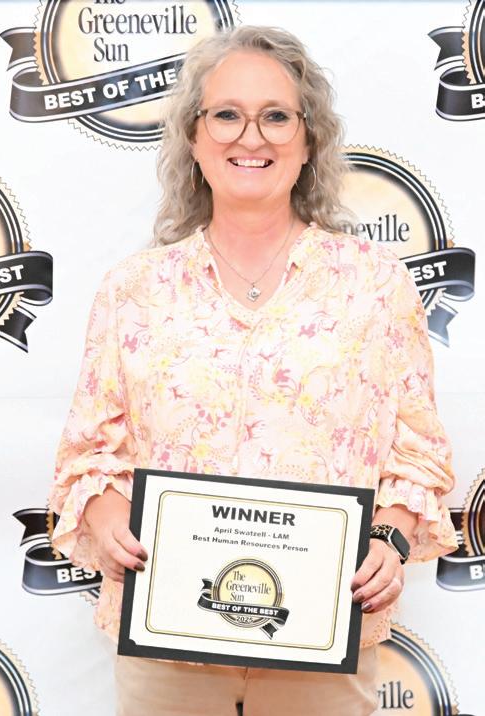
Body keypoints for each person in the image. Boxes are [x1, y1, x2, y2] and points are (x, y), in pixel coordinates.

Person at [49, 25, 458, 716]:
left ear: (309, 140)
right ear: (193, 137)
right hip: (165, 638)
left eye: (275, 116)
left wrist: (389, 538)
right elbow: (88, 453)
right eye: (227, 115)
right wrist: (109, 512)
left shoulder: (374, 284)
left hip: (324, 632)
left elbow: (418, 453)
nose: (251, 136)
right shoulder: (134, 289)